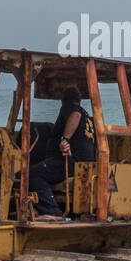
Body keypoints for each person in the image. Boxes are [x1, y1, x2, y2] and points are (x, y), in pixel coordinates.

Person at [28, 87, 96, 219]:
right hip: (82, 164)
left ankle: (51, 211)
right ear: (79, 100)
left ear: (63, 100)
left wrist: (65, 139)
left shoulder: (70, 108)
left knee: (30, 174)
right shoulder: (86, 115)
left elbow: (75, 115)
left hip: (70, 161)